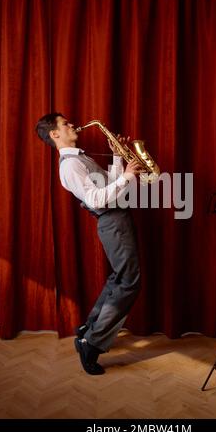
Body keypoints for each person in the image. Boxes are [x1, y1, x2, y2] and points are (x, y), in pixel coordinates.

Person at [35, 113, 143, 375]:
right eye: (65, 124)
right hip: (112, 221)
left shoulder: (79, 158)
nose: (72, 125)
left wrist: (118, 158)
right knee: (129, 282)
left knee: (120, 277)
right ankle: (92, 344)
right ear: (55, 134)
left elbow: (108, 185)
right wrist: (128, 175)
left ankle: (87, 329)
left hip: (117, 218)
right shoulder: (69, 166)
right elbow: (97, 199)